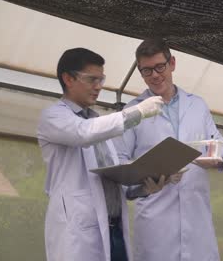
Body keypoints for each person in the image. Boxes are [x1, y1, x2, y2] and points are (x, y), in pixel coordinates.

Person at [37, 47, 169, 261]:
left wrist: (143, 187)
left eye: (101, 79)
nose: (99, 87)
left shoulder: (98, 121)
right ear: (68, 79)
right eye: (92, 80)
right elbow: (82, 133)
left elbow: (113, 181)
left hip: (114, 230)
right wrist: (137, 112)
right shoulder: (53, 117)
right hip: (80, 233)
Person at [113, 38, 223, 261]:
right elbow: (121, 163)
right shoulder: (133, 110)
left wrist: (216, 158)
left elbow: (222, 146)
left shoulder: (197, 105)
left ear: (172, 63)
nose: (155, 75)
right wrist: (144, 183)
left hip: (197, 223)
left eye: (160, 67)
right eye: (147, 71)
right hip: (155, 224)